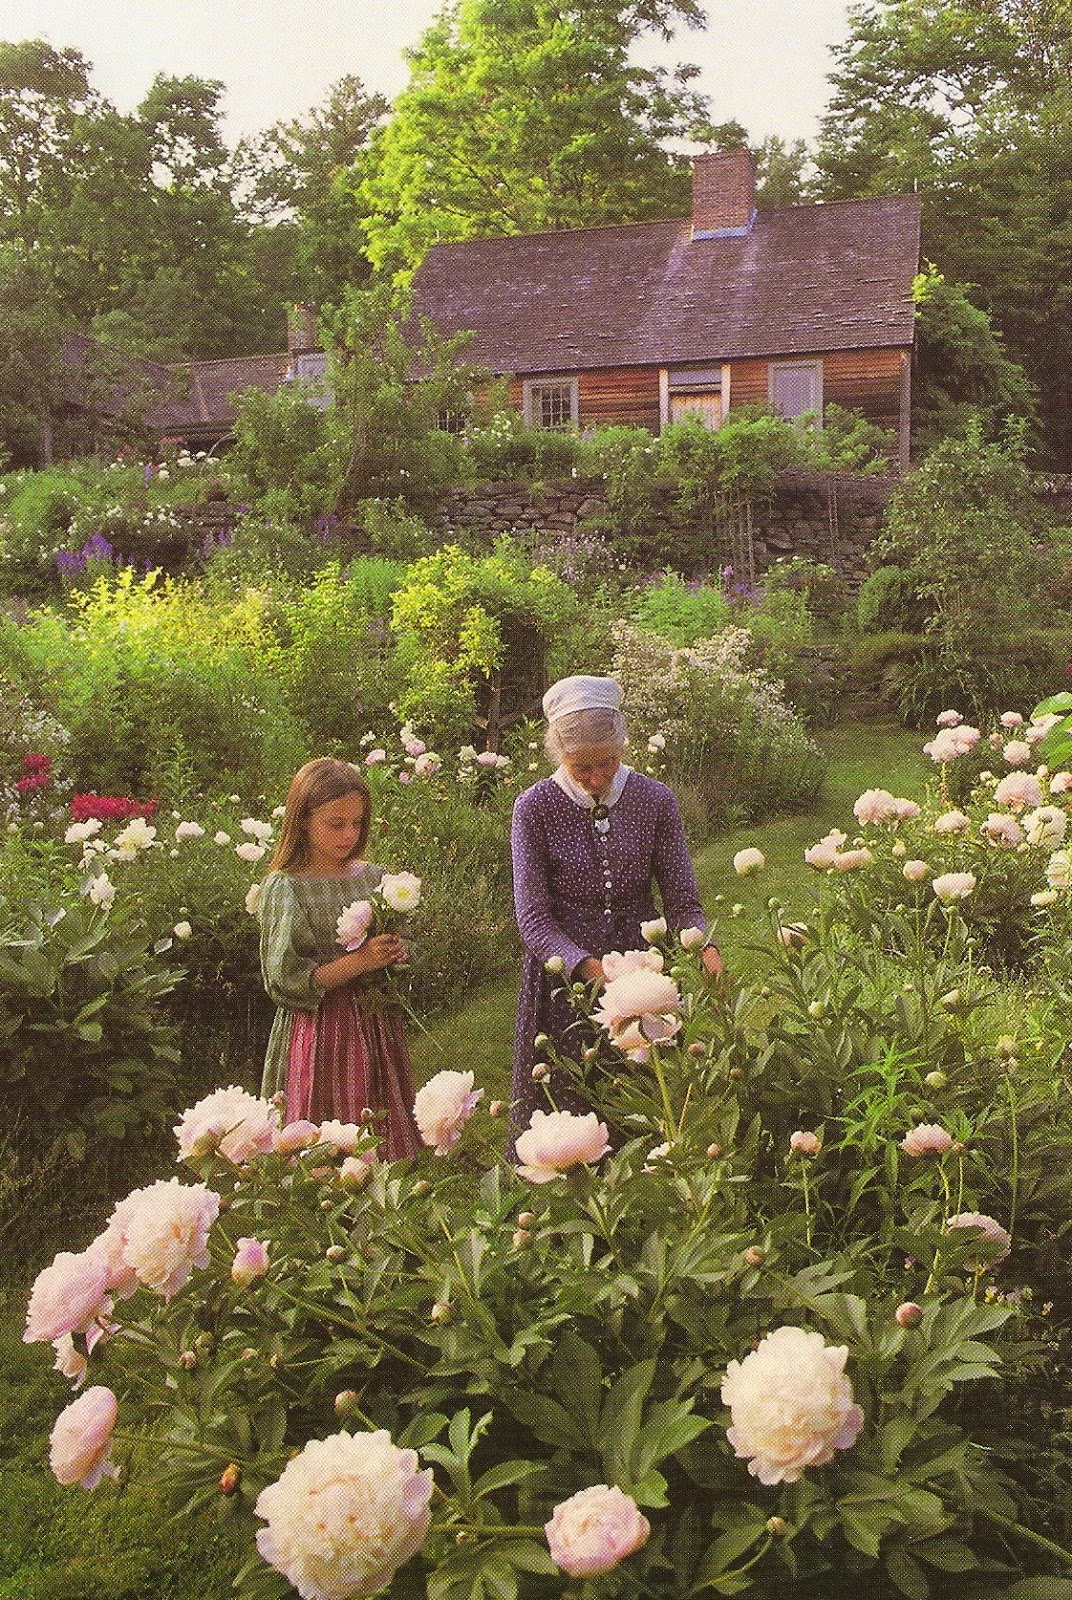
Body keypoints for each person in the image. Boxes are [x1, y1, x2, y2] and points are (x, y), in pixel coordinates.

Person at [509, 675, 723, 1145]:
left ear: (623, 744)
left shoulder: (654, 800)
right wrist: (588, 969)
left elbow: (682, 900)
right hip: (564, 977)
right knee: (566, 1111)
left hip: (642, 967)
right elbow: (533, 918)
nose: (596, 777)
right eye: (581, 767)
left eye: (607, 762)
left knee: (649, 1109)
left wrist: (703, 947)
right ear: (558, 756)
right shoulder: (534, 808)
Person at [258, 757, 420, 1160]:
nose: (349, 834)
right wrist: (360, 961)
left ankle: (387, 1185)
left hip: (375, 1022)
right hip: (320, 1029)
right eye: (336, 824)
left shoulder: (372, 878)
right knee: (321, 1135)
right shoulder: (288, 886)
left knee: (379, 1121)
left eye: (357, 823)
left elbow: (401, 943)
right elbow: (287, 979)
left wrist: (396, 952)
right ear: (303, 821)